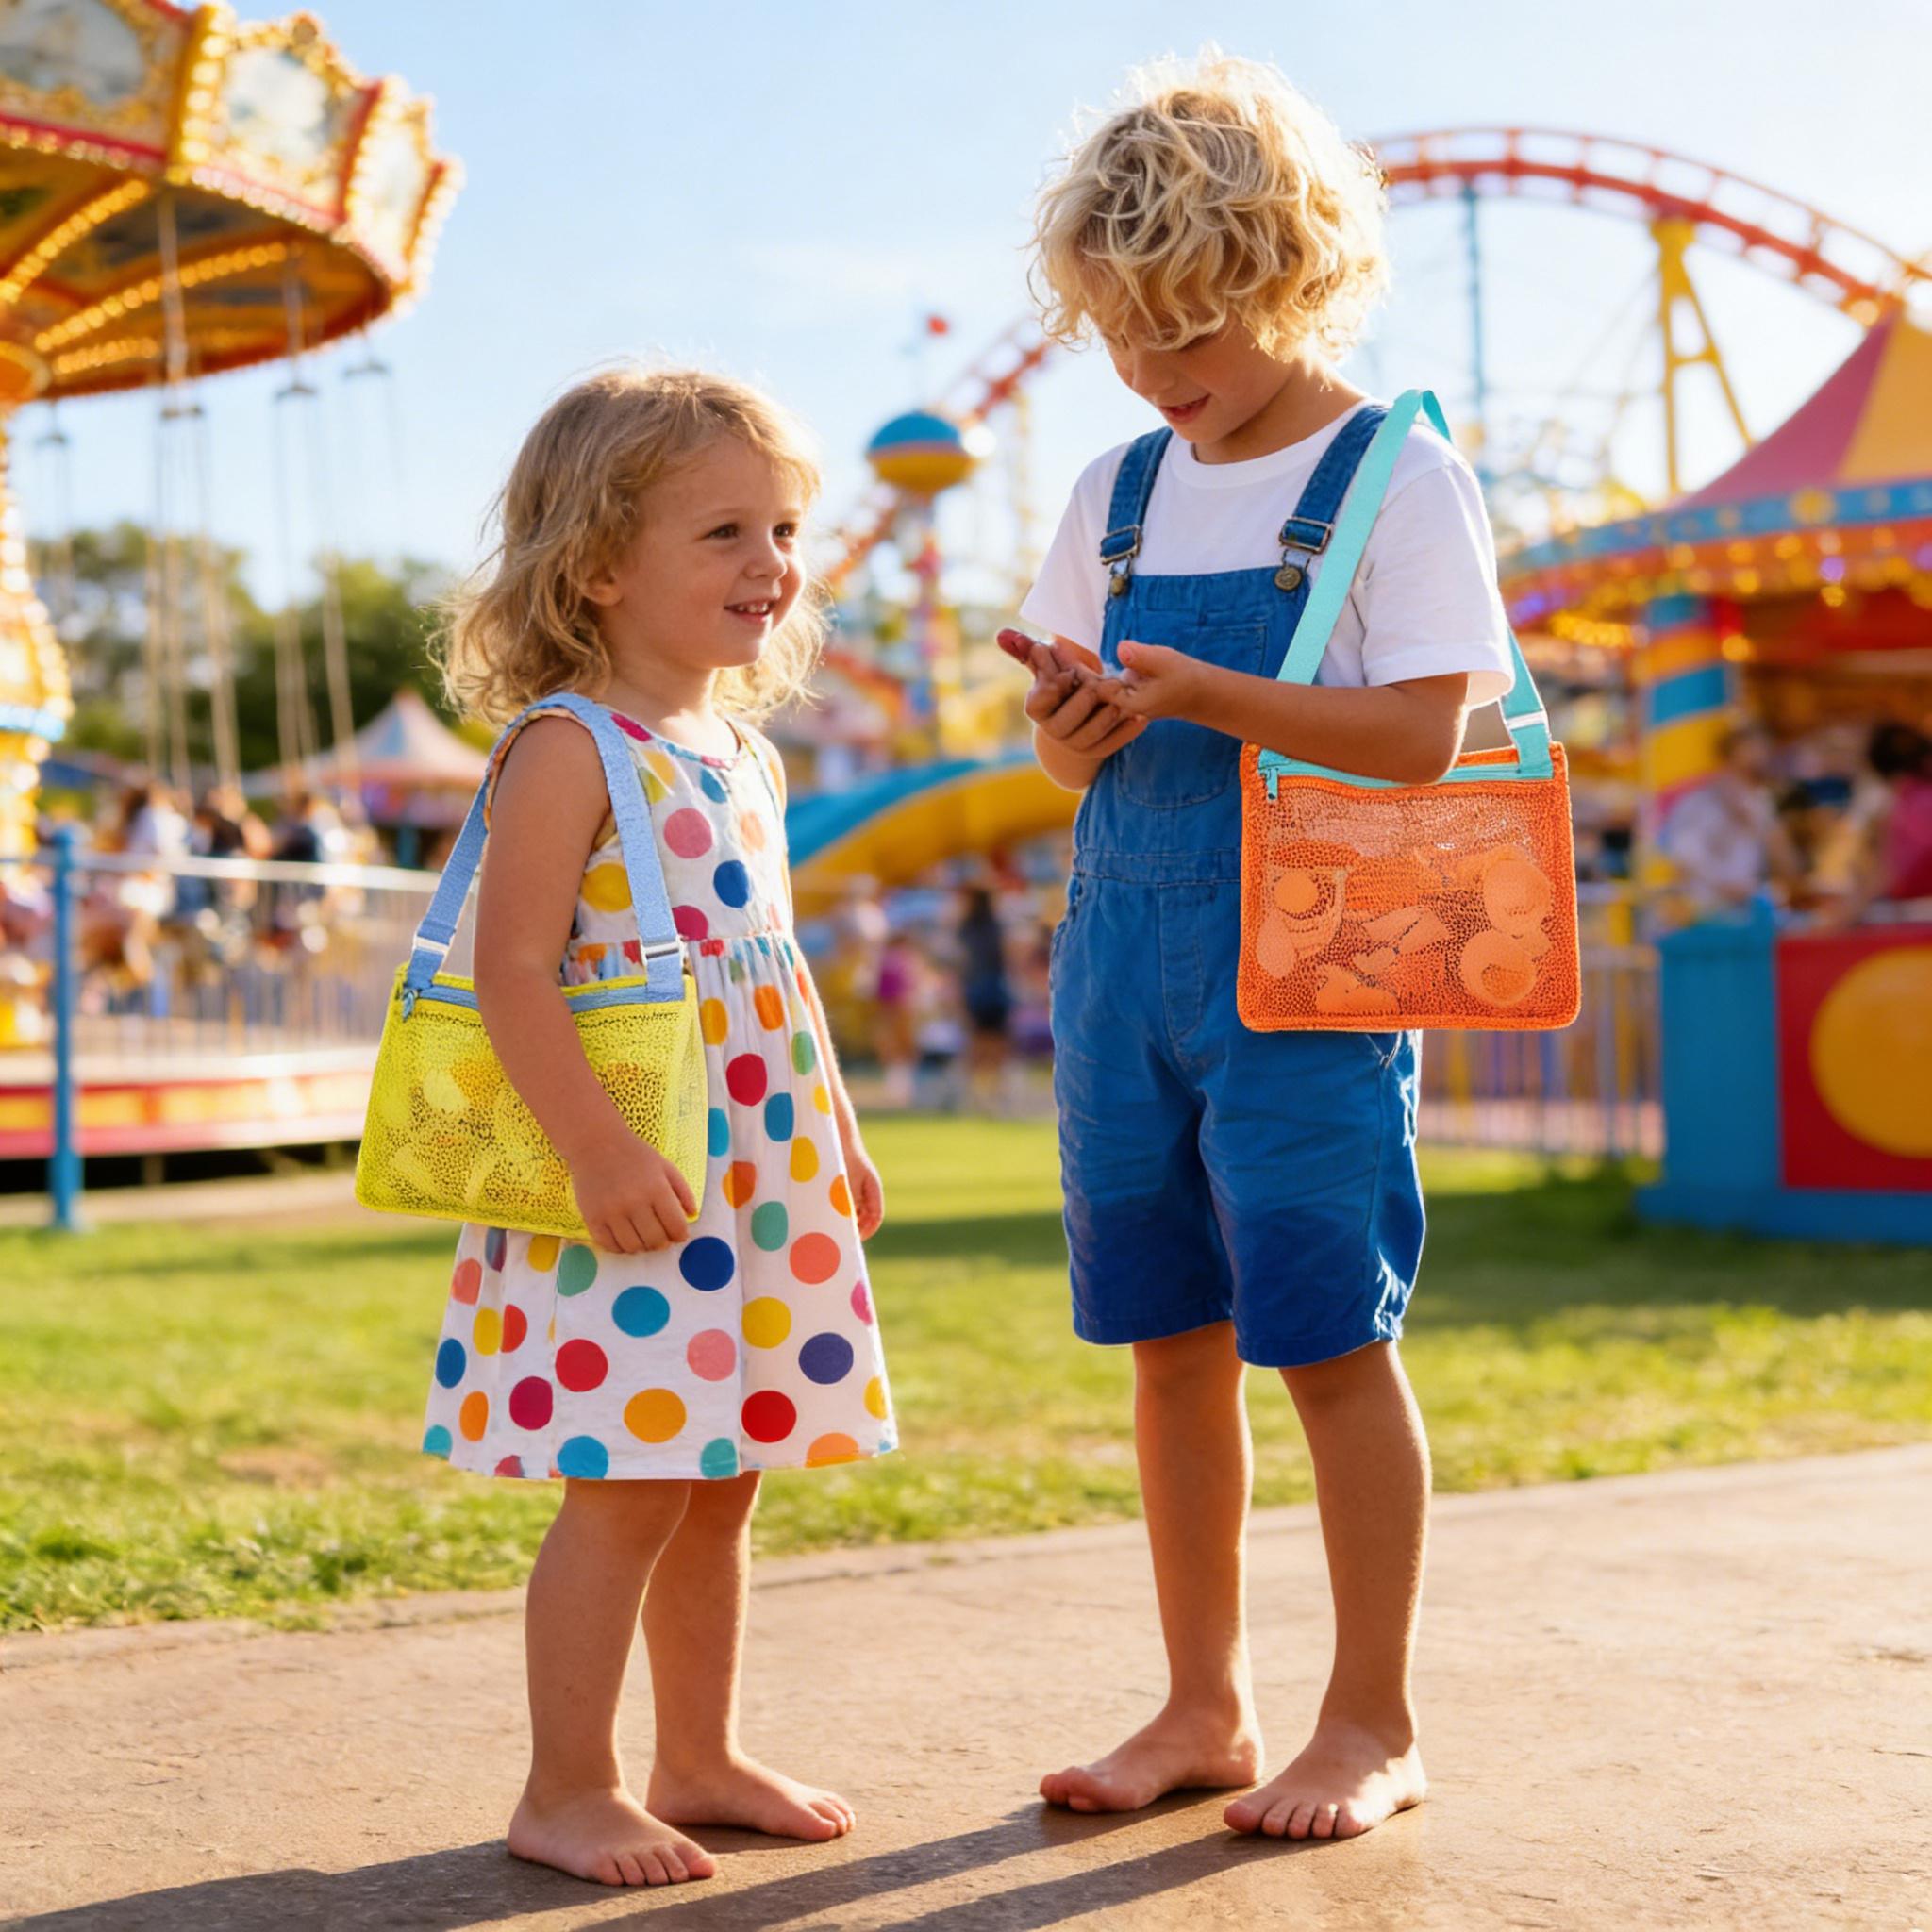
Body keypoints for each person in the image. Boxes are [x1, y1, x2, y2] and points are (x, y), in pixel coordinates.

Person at [1015, 53, 1519, 1843]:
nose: (1158, 374)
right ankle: (1199, 1701)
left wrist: (1205, 689)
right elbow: (1065, 729)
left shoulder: (1399, 472)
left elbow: (1422, 737)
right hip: (1122, 964)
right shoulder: (1113, 488)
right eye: (1124, 338)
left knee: (1323, 1338)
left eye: (1190, 329)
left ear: (1292, 272)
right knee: (1165, 1338)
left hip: (1312, 974)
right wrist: (1071, 733)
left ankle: (1371, 1715)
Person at [425, 364, 894, 1889]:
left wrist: (836, 1135)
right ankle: (568, 1782)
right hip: (631, 1173)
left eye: (783, 527)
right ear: (599, 561)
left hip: (746, 1174)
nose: (773, 561)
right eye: (725, 531)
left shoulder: (744, 757)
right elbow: (508, 973)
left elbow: (769, 969)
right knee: (627, 1479)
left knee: (722, 1469)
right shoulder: (568, 747)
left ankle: (700, 1750)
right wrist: (600, 1149)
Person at [1657, 724, 1801, 913]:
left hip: (1748, 907)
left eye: (1763, 749)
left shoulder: (1759, 802)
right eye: (1751, 749)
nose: (1759, 756)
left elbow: (1786, 863)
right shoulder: (1700, 801)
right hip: (1703, 908)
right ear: (1729, 756)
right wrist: (1726, 886)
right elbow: (1685, 855)